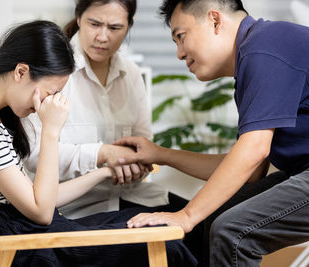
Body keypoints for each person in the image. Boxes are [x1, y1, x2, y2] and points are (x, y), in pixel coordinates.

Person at [0, 20, 197, 266]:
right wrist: (51, 131)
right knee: (167, 245)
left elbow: (43, 200)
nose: (47, 103)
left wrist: (105, 172)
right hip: (19, 245)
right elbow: (41, 211)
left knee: (154, 223)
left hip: (26, 232)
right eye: (50, 93)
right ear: (21, 72)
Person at [114, 0, 309, 266]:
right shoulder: (257, 55)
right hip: (301, 170)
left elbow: (254, 150)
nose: (179, 54)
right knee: (218, 213)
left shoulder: (265, 47)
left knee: (232, 231)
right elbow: (250, 170)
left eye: (181, 37)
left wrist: (186, 216)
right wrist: (161, 154)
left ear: (215, 21)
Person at [24, 0, 177, 219]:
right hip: (72, 208)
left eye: (115, 28)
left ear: (130, 25)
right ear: (79, 18)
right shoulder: (53, 72)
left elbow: (143, 142)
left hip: (130, 195)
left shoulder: (131, 74)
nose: (103, 37)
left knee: (201, 223)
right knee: (172, 241)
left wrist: (135, 162)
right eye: (94, 24)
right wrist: (102, 153)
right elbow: (34, 155)